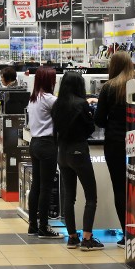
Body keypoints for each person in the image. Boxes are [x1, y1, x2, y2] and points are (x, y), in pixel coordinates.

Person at [52, 72, 104, 251]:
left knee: (69, 197)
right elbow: (90, 127)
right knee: (91, 197)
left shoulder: (57, 104)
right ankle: (87, 239)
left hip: (62, 153)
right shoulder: (81, 104)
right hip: (79, 151)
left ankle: (72, 237)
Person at [93, 51, 135, 248]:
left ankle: (126, 234)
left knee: (119, 189)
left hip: (115, 144)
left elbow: (99, 120)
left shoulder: (109, 88)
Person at [26, 67, 62, 239]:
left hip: (34, 143)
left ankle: (33, 225)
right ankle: (44, 227)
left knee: (36, 186)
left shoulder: (33, 99)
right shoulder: (49, 99)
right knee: (46, 188)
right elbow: (65, 111)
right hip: (47, 144)